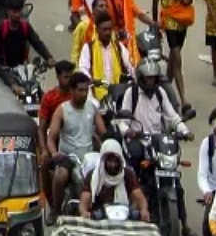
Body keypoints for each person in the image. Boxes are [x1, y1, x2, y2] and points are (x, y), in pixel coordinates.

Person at [43, 72, 103, 213]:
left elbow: (103, 132)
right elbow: (51, 138)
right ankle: (56, 211)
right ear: (72, 91)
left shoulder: (92, 108)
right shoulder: (62, 110)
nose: (84, 94)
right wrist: (54, 153)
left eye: (86, 90)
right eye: (80, 90)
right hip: (68, 158)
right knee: (60, 176)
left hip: (89, 157)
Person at [80, 138, 148, 219]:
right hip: (99, 219)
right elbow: (84, 201)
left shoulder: (127, 174)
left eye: (116, 161)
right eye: (110, 161)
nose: (113, 165)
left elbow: (140, 198)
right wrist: (84, 212)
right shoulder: (92, 175)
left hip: (124, 219)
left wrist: (144, 210)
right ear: (103, 161)